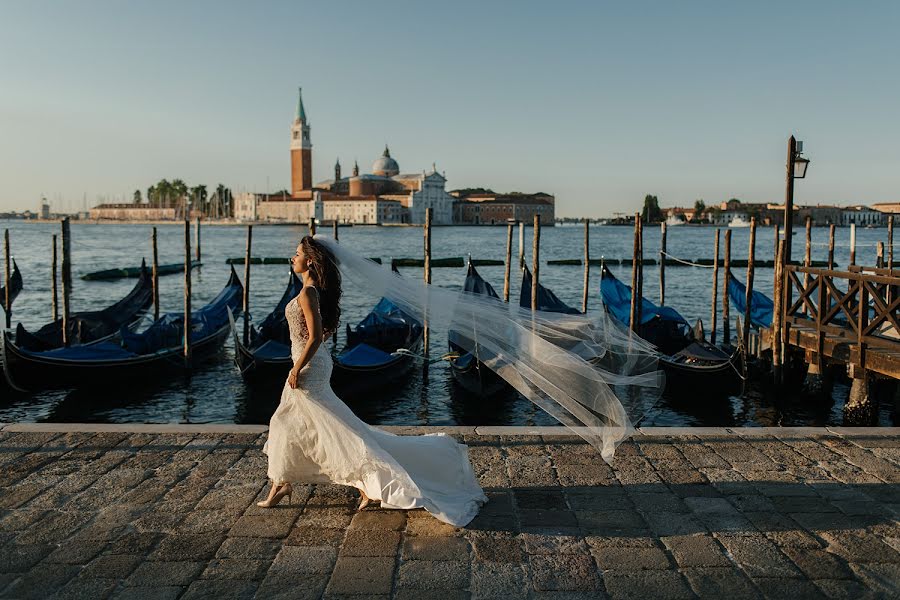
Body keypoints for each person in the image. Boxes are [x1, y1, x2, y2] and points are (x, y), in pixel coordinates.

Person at [258, 235, 487, 527]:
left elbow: (315, 337)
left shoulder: (308, 293)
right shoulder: (311, 291)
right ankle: (284, 482)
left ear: (311, 260)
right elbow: (320, 332)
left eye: (297, 253)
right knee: (296, 423)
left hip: (308, 366)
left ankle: (356, 482)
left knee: (325, 426)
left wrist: (296, 368)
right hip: (311, 362)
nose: (293, 258)